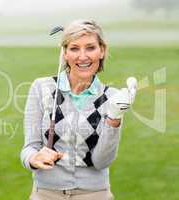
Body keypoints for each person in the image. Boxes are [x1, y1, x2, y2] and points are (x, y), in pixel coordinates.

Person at [20, 20, 137, 200]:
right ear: (65, 53)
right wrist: (34, 159)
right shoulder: (41, 87)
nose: (83, 56)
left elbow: (101, 162)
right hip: (45, 193)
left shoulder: (113, 97)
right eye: (74, 48)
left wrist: (114, 119)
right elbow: (29, 148)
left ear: (102, 51)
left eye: (90, 48)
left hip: (95, 194)